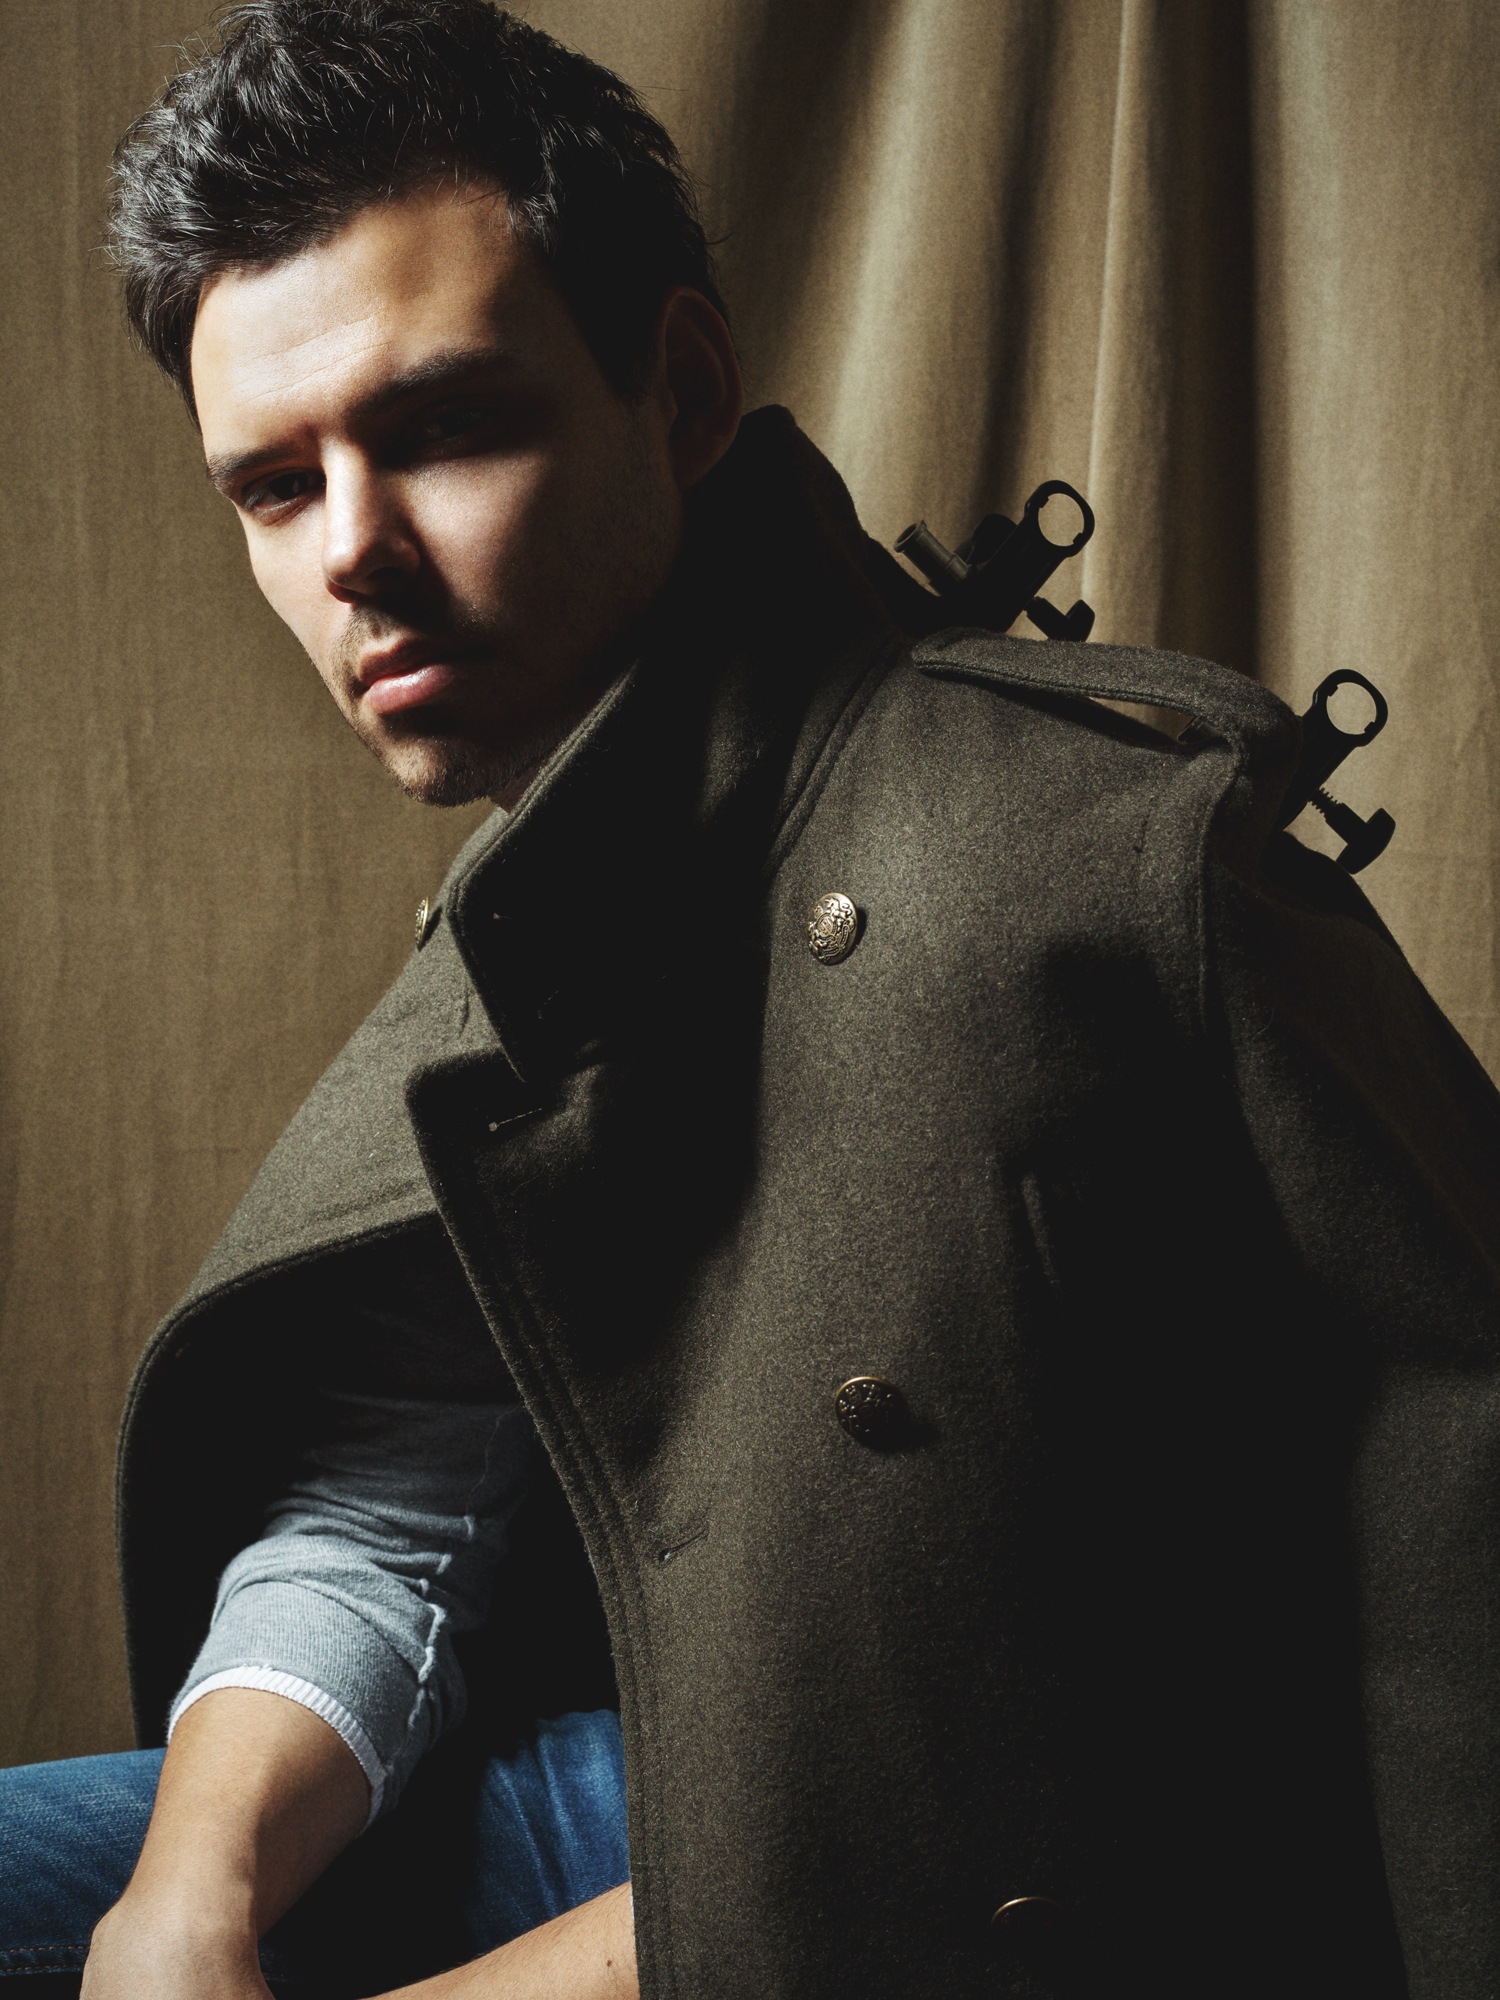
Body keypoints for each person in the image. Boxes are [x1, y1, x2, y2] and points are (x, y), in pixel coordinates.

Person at [3, 2, 1498, 1995]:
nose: (354, 551)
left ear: (686, 390)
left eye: (440, 426)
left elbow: (1288, 1681)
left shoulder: (1102, 859)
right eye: (274, 486)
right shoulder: (552, 885)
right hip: (655, 1766)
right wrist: (180, 1905)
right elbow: (397, 1492)